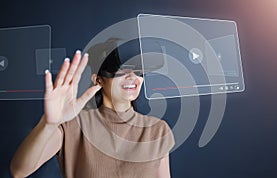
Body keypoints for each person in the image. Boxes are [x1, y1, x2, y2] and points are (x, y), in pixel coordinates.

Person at [10, 42, 175, 178]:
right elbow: (19, 171)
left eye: (138, 71)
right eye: (122, 71)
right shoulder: (73, 126)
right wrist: (48, 124)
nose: (132, 77)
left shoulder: (158, 130)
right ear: (98, 80)